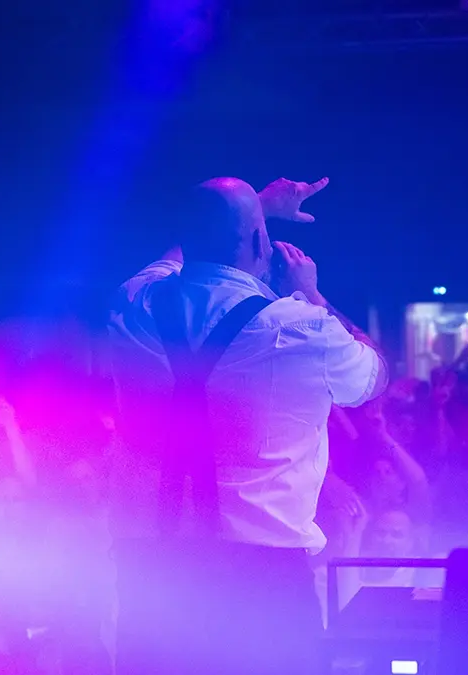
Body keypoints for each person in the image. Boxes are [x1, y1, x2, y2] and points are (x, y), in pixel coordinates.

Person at [107, 176, 387, 675]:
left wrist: (253, 207)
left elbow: (174, 254)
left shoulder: (134, 303)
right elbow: (374, 376)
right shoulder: (304, 327)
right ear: (262, 242)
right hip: (263, 580)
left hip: (152, 574)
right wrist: (312, 294)